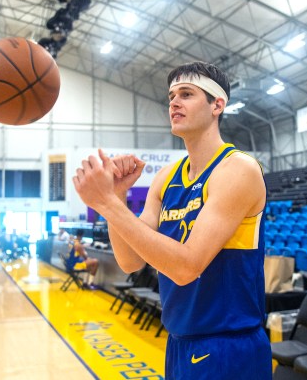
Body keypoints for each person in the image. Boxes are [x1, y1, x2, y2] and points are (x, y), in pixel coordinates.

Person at [73, 61, 272, 379]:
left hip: (228, 346)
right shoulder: (166, 178)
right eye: (171, 96)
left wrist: (107, 204)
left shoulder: (238, 169)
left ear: (217, 105)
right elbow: (130, 261)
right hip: (179, 343)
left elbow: (186, 268)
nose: (174, 103)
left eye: (187, 94)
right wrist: (118, 197)